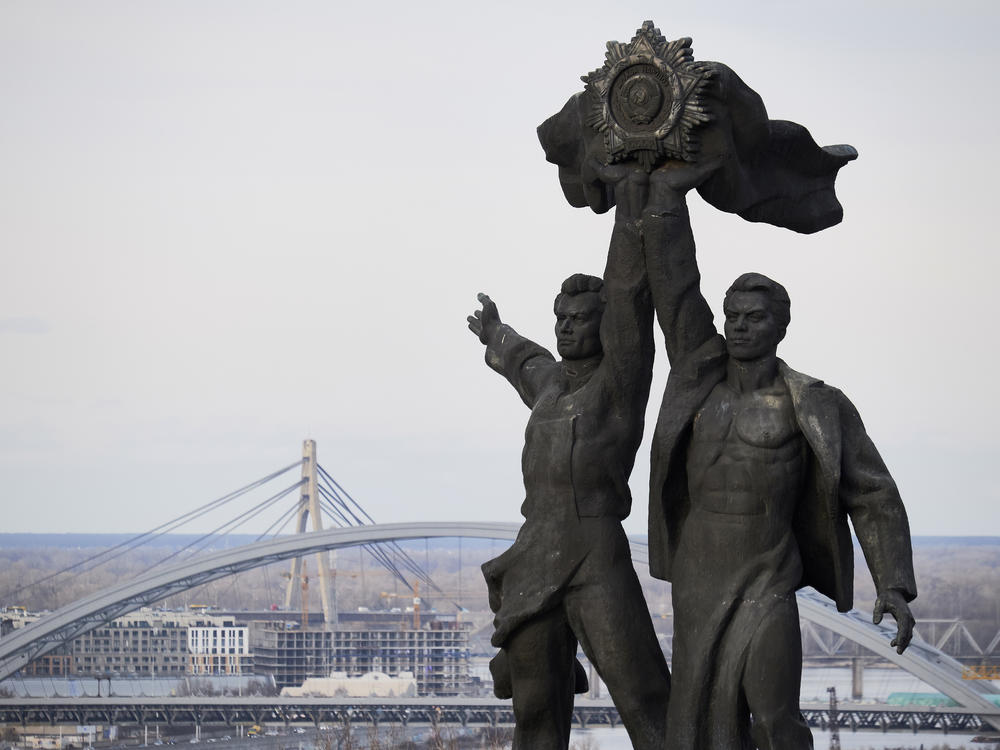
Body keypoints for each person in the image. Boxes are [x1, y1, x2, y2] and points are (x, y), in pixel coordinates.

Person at [640, 170, 918, 749]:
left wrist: (893, 583)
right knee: (695, 725)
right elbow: (675, 288)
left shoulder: (813, 404)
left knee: (773, 716)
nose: (739, 328)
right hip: (697, 579)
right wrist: (665, 199)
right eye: (732, 317)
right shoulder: (697, 380)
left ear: (781, 325)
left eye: (755, 318)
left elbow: (873, 493)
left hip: (767, 576)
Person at [466, 223, 670, 748]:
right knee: (534, 707)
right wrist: (495, 331)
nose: (566, 328)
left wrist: (634, 208)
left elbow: (628, 298)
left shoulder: (621, 383)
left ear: (607, 328)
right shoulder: (550, 385)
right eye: (561, 318)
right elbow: (524, 360)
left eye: (580, 320)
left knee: (641, 694)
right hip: (535, 556)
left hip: (594, 554)